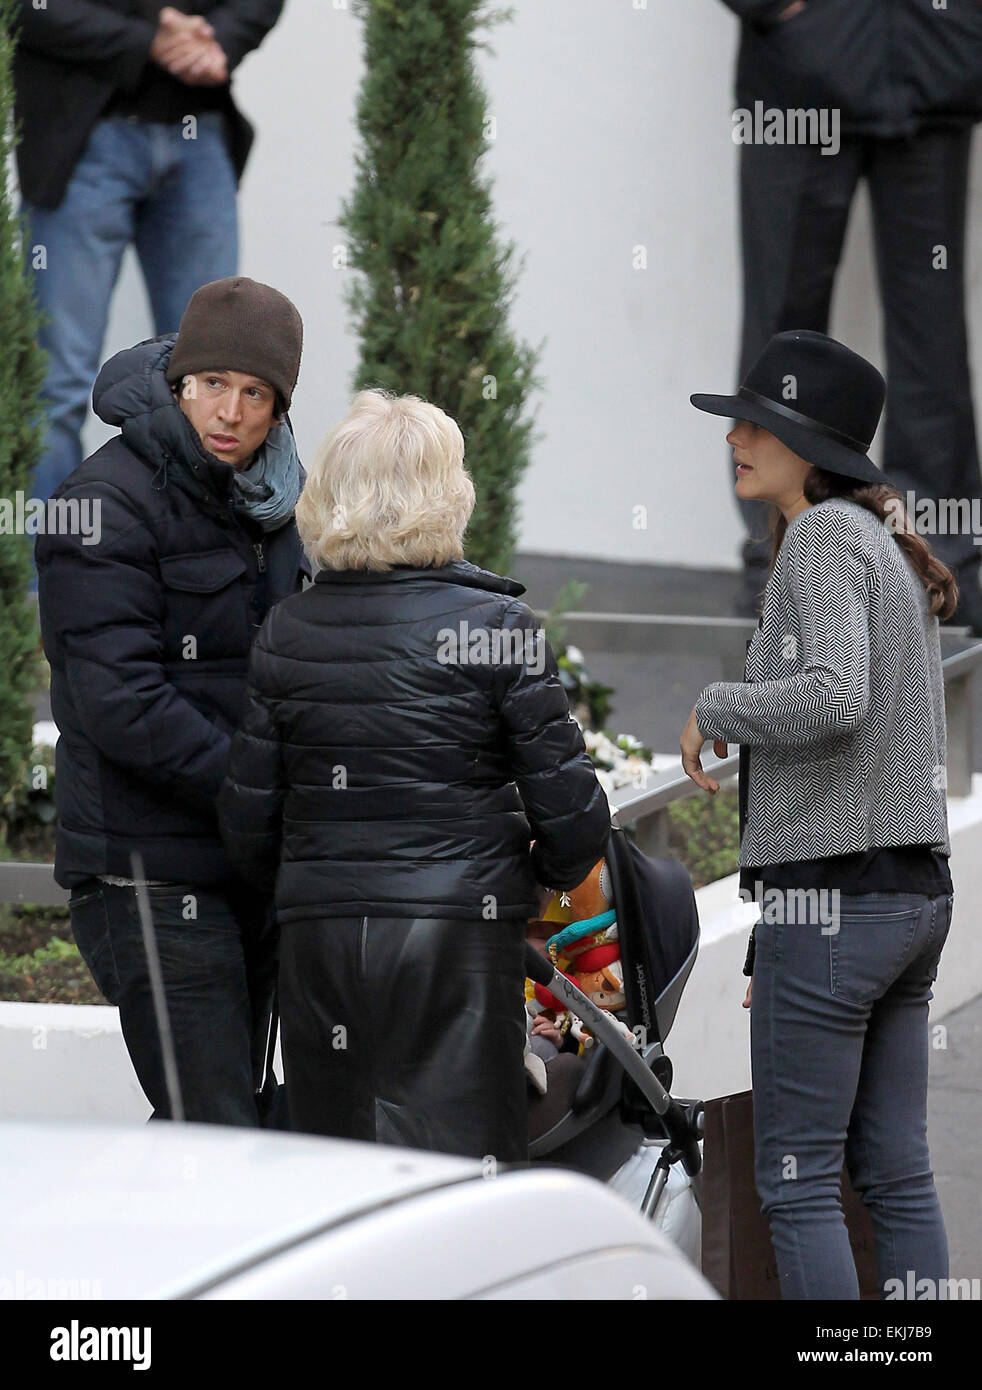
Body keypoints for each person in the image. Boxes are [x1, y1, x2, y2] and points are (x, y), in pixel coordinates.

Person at [217, 388, 612, 1164]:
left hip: (321, 944)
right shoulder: (497, 629)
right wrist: (530, 880)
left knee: (337, 1186)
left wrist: (311, 885)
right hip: (458, 939)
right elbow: (573, 818)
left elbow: (247, 825)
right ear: (447, 495)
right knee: (464, 1186)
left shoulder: (287, 632)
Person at [681, 329, 955, 1300]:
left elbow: (835, 697)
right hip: (907, 899)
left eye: (759, 424)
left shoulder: (828, 539)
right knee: (895, 1171)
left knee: (796, 1186)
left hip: (840, 902)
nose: (735, 439)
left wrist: (716, 706)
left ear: (815, 444)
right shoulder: (878, 541)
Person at [36, 275, 309, 1127]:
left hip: (243, 866)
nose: (229, 411)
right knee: (215, 1123)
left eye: (255, 393)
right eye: (213, 384)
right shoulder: (100, 506)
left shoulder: (273, 504)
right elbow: (123, 705)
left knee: (235, 1126)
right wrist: (260, 783)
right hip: (143, 874)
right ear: (179, 381)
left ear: (279, 408)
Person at [718, 0, 982, 633]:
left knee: (933, 336)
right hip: (797, 76)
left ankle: (937, 564)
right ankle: (779, 559)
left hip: (933, 63)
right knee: (782, 332)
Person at [13, 1, 285, 506]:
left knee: (215, 379)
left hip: (199, 131)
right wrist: (147, 40)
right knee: (55, 384)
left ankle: (199, 569)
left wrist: (216, 40)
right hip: (79, 136)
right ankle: (39, 575)